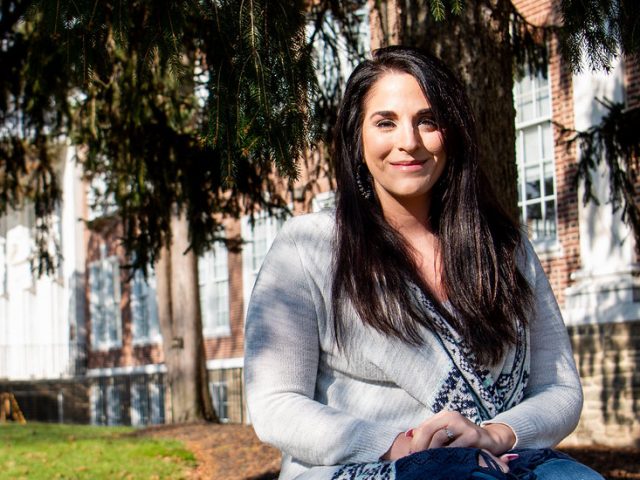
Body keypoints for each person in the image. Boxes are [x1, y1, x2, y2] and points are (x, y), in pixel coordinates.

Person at [244, 46, 604, 480]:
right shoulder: (309, 249)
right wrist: (399, 446)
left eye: (427, 121)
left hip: (498, 462)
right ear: (358, 139)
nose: (408, 142)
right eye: (385, 123)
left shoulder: (505, 249)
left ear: (450, 134)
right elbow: (276, 404)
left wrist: (497, 433)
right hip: (363, 468)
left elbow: (559, 387)